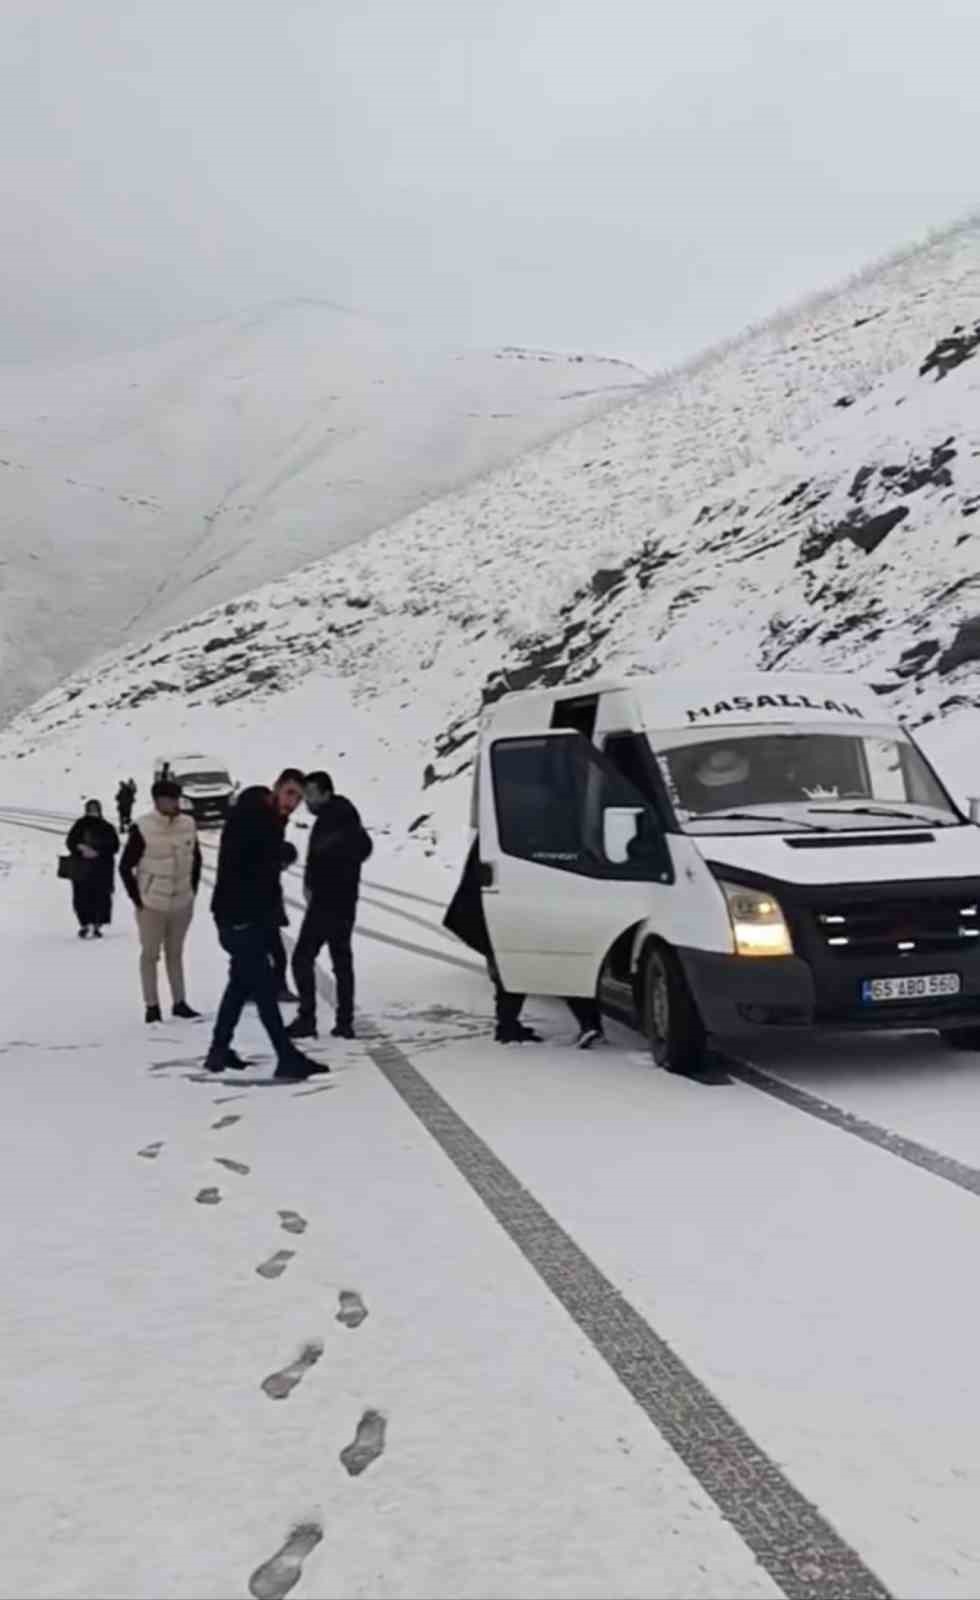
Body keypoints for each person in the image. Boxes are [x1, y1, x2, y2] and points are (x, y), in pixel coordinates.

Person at [205, 771, 326, 1080]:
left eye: (298, 797)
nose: (293, 802)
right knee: (262, 988)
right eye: (289, 793)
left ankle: (218, 1051)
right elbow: (252, 867)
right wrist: (279, 856)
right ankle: (286, 1056)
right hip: (241, 917)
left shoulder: (263, 816)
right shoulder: (256, 819)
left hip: (244, 916)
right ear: (276, 789)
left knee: (239, 985)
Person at [443, 839, 603, 1047]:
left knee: (520, 968)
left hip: (498, 910)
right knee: (534, 967)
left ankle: (510, 1026)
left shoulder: (506, 829)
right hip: (496, 911)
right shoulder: (514, 835)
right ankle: (511, 1027)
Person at [288, 771, 372, 1041]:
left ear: (326, 793)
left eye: (311, 795)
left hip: (328, 901)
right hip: (344, 901)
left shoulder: (334, 820)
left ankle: (307, 1017)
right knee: (341, 960)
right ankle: (344, 1021)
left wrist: (316, 886)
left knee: (303, 957)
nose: (306, 801)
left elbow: (331, 857)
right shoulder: (343, 816)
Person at [119, 778, 202, 1024]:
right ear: (158, 801)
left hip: (182, 902)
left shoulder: (188, 824)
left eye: (177, 798)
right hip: (152, 904)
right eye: (170, 799)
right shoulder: (143, 827)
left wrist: (192, 890)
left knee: (175, 953)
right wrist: (138, 899)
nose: (175, 803)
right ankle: (152, 1006)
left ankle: (180, 1002)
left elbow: (197, 859)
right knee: (150, 955)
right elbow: (125, 866)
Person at [65, 800, 120, 939]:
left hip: (101, 868)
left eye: (95, 809)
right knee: (82, 896)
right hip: (82, 867)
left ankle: (96, 924)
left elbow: (114, 846)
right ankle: (85, 924)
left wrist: (98, 852)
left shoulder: (107, 827)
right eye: (91, 809)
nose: (93, 811)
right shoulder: (80, 825)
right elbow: (70, 842)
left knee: (100, 897)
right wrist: (80, 848)